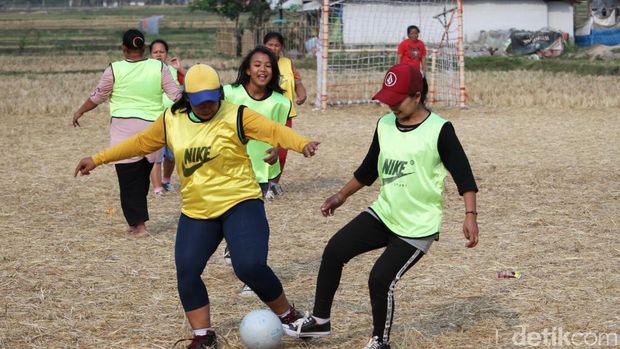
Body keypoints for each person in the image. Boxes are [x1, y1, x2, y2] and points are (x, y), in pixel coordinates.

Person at [74, 64, 320, 349]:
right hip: (197, 210)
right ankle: (203, 337)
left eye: (212, 99)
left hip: (240, 201)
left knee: (249, 266)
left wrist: (302, 144)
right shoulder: (172, 119)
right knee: (187, 270)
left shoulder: (236, 114)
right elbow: (140, 143)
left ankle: (289, 315)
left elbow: (274, 131)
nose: (207, 106)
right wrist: (98, 158)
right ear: (186, 97)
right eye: (199, 101)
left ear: (219, 93)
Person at [283, 64, 479, 349]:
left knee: (379, 279)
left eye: (397, 99)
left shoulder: (440, 130)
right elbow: (368, 169)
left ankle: (379, 341)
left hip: (416, 225)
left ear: (416, 95)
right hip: (384, 213)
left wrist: (470, 215)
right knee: (335, 250)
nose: (391, 105)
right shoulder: (385, 124)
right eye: (387, 99)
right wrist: (341, 196)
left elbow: (464, 175)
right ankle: (320, 321)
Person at [72, 29, 181, 237]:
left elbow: (98, 96)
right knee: (141, 180)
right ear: (144, 48)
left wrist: (80, 111)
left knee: (128, 181)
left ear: (123, 48)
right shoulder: (159, 67)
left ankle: (138, 226)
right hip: (153, 131)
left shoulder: (114, 69)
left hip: (124, 131)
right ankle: (137, 223)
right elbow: (176, 95)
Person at [224, 45, 291, 198]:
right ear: (248, 70)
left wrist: (276, 148)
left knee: (252, 211)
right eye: (257, 65)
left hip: (261, 169)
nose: (263, 69)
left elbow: (279, 132)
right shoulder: (229, 94)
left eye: (268, 66)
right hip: (230, 168)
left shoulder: (280, 102)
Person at [263, 31, 307, 187]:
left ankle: (273, 185)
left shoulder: (287, 63)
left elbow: (297, 82)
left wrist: (302, 95)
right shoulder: (259, 63)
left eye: (277, 45)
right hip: (263, 113)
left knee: (281, 150)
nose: (273, 48)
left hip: (284, 115)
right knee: (261, 149)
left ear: (281, 47)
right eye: (270, 45)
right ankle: (258, 182)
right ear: (264, 45)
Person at [149, 38, 186, 194]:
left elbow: (191, 81)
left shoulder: (173, 70)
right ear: (150, 55)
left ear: (166, 54)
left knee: (171, 156)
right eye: (155, 52)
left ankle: (166, 180)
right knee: (155, 156)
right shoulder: (146, 70)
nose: (158, 55)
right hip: (153, 119)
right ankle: (157, 188)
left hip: (174, 119)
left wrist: (180, 69)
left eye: (161, 52)